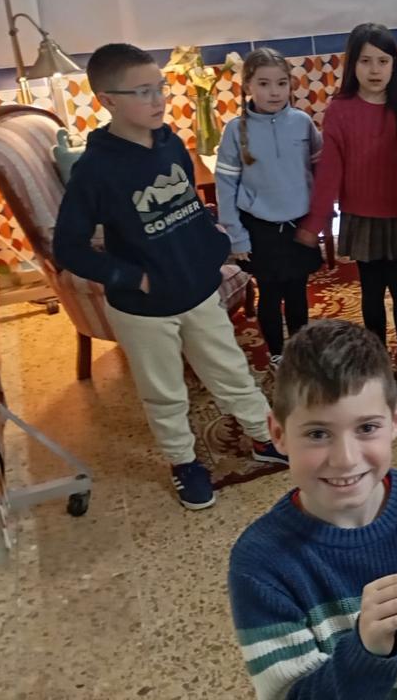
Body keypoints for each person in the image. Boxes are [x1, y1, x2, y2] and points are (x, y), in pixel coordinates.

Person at [53, 43, 284, 510]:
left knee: (232, 371)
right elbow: (68, 247)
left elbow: (188, 209)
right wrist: (129, 278)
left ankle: (264, 438)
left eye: (159, 87)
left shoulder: (170, 142)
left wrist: (214, 246)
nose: (158, 99)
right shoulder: (96, 170)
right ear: (108, 100)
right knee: (164, 394)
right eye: (142, 92)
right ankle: (183, 463)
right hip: (143, 309)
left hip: (197, 291)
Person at [228, 320, 397, 700]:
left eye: (367, 428)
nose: (345, 459)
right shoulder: (262, 563)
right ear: (279, 433)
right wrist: (366, 650)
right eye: (318, 433)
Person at [298, 24, 397, 381]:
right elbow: (330, 173)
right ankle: (376, 354)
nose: (374, 70)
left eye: (382, 61)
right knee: (370, 292)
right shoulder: (340, 111)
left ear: (394, 66)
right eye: (365, 61)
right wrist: (314, 223)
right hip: (361, 217)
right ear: (352, 65)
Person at [215, 48, 323, 367]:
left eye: (281, 83)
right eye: (264, 83)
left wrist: (318, 220)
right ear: (248, 85)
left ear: (291, 85)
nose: (274, 92)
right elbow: (226, 188)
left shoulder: (302, 123)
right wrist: (236, 236)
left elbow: (322, 173)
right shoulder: (235, 130)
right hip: (259, 229)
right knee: (271, 294)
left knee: (298, 292)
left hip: (298, 225)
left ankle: (302, 350)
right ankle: (277, 353)